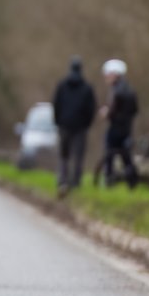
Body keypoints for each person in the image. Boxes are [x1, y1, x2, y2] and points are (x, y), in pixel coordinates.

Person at [52, 56, 97, 198]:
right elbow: (91, 108)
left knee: (64, 155)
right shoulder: (87, 87)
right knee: (78, 156)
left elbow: (56, 104)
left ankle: (62, 180)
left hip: (64, 125)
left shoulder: (62, 85)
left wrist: (58, 121)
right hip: (80, 127)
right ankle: (76, 182)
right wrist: (87, 123)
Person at [97, 59, 139, 188]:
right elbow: (135, 109)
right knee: (126, 156)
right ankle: (132, 181)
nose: (106, 78)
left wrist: (106, 113)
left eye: (108, 75)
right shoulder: (129, 90)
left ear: (115, 74)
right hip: (127, 128)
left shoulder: (117, 91)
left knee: (109, 153)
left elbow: (112, 110)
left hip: (116, 128)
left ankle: (109, 179)